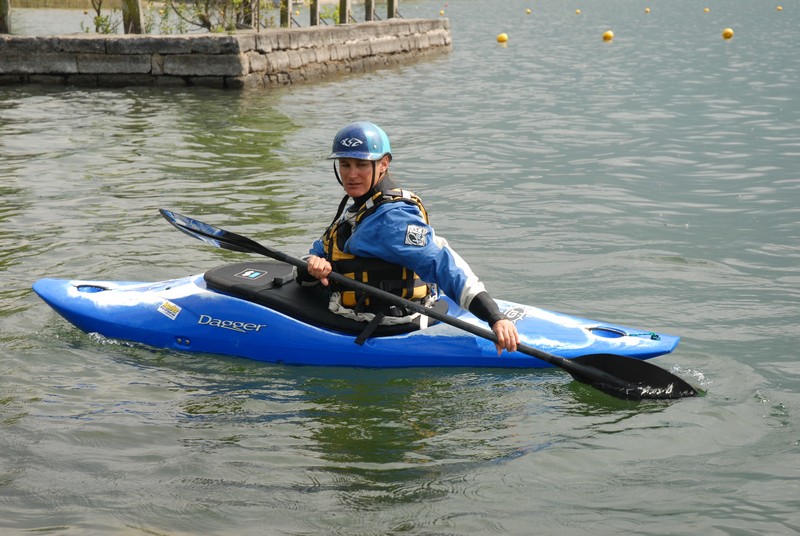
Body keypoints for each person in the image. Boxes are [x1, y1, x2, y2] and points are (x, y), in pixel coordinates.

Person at [297, 121, 520, 355]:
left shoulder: (391, 219)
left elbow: (440, 262)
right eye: (345, 164)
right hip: (362, 309)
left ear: (383, 164)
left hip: (383, 323)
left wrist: (495, 317)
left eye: (361, 164)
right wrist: (314, 264)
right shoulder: (362, 207)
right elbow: (318, 252)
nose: (351, 175)